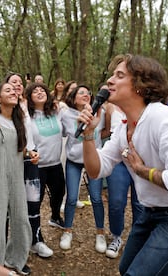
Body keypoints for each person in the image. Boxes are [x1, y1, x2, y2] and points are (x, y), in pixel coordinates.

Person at [79, 53, 168, 275]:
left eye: (119, 75)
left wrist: (141, 170)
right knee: (126, 267)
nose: (109, 81)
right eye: (111, 75)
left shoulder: (165, 120)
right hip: (151, 212)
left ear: (140, 85)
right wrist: (88, 135)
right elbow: (96, 170)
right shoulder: (123, 129)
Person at [0, 82, 34, 275]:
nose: (13, 92)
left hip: (16, 178)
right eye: (7, 90)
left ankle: (14, 260)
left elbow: (18, 148)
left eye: (15, 90)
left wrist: (30, 154)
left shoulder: (19, 121)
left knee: (21, 220)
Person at [60, 85, 106, 253]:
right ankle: (67, 231)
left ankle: (100, 233)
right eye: (81, 92)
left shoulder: (100, 111)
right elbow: (64, 134)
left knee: (96, 198)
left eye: (88, 92)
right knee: (71, 198)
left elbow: (105, 131)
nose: (86, 94)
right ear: (73, 98)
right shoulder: (65, 115)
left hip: (94, 159)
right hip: (74, 160)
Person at [25, 82, 68, 257]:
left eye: (42, 89)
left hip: (55, 164)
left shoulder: (56, 112)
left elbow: (67, 131)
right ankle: (36, 240)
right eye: (34, 91)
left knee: (59, 194)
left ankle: (55, 217)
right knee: (34, 204)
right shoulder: (26, 115)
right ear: (29, 97)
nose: (39, 92)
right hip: (37, 167)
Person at [101, 100, 143, 259]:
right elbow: (104, 128)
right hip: (118, 154)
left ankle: (138, 238)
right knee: (117, 201)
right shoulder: (110, 106)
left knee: (140, 202)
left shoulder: (145, 104)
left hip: (140, 155)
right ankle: (116, 236)